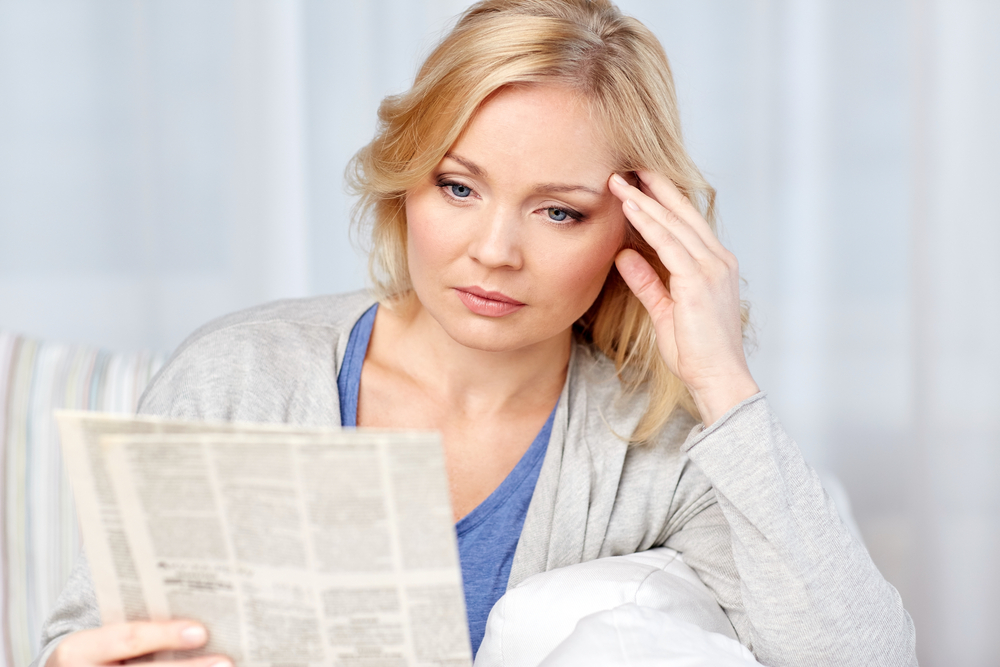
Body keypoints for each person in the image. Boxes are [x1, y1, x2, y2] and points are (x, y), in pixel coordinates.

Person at [33, 1, 918, 666]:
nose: (494, 252)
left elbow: (862, 657)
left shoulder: (658, 446)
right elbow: (85, 636)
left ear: (634, 231)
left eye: (561, 212)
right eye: (458, 188)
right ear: (406, 182)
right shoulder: (239, 377)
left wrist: (725, 381)